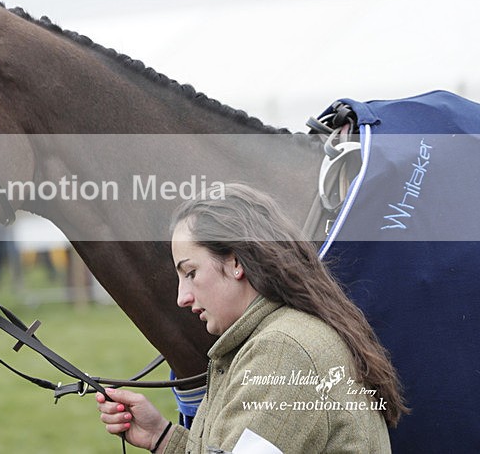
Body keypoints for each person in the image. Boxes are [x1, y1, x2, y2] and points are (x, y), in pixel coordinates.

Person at [96, 184, 406, 453]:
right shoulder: (281, 338)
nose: (182, 297)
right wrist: (160, 437)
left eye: (191, 273)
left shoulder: (284, 350)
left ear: (234, 262)